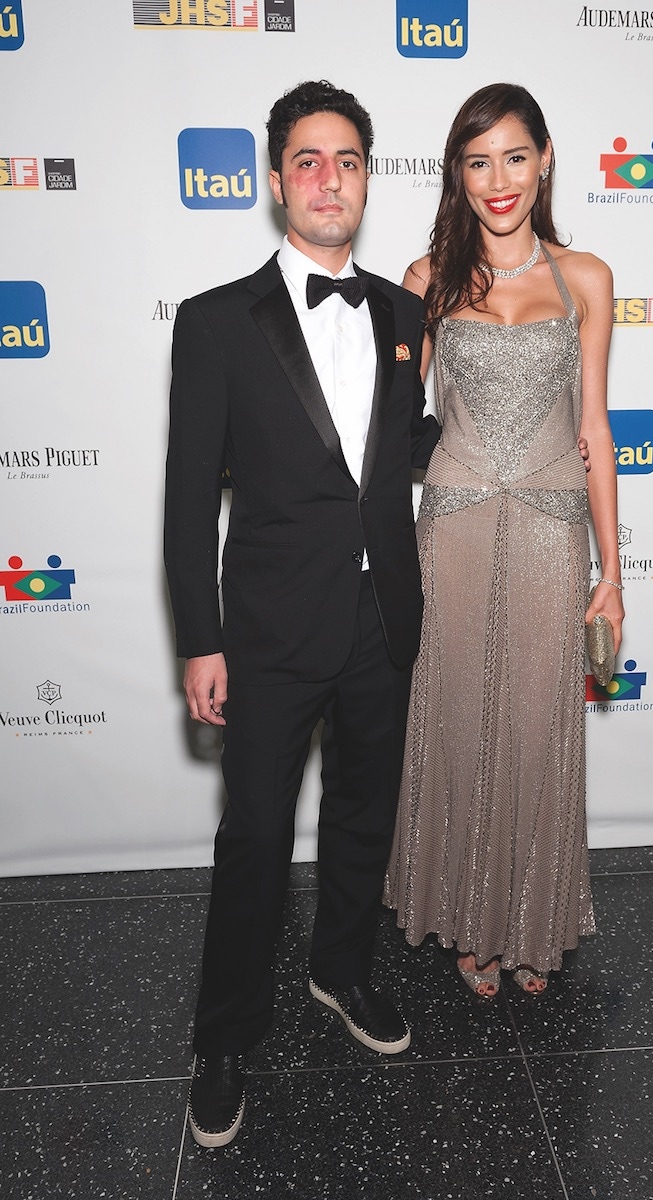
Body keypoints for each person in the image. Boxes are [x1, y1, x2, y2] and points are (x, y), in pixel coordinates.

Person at [164, 80, 441, 1148]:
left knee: (363, 818)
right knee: (255, 841)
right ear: (276, 180)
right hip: (271, 633)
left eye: (350, 159)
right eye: (309, 160)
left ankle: (342, 971)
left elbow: (402, 448)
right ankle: (224, 1035)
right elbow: (191, 494)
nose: (331, 179)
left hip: (385, 617)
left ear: (369, 176)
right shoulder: (214, 322)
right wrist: (200, 635)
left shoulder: (403, 313)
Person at [384, 83, 624, 999]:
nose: (498, 179)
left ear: (546, 159)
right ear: (458, 173)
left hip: (552, 528)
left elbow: (595, 430)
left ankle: (531, 919)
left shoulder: (588, 277)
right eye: (478, 161)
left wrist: (613, 572)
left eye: (515, 157)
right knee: (454, 722)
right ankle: (468, 923)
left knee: (535, 727)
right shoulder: (427, 281)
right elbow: (395, 424)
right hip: (451, 526)